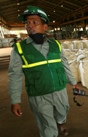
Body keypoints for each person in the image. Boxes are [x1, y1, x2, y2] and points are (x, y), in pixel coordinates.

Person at [8, 6, 79, 137]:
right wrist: (15, 100)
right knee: (47, 126)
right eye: (27, 23)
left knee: (63, 111)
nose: (30, 25)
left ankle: (60, 123)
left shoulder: (56, 45)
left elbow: (65, 65)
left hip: (59, 90)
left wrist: (73, 83)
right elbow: (15, 76)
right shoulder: (19, 49)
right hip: (38, 95)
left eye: (34, 22)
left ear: (44, 27)